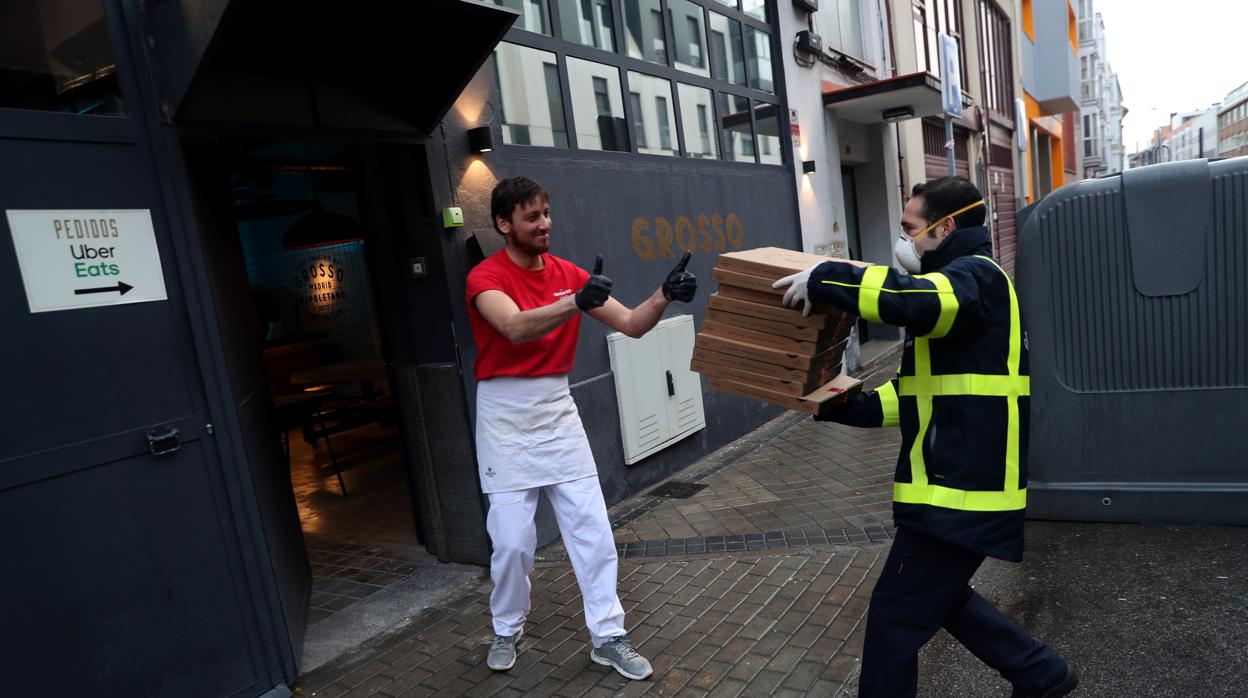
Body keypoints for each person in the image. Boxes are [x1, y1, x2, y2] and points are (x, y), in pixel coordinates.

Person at [773, 176, 1078, 698]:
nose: (903, 241)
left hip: (959, 495)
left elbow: (912, 301)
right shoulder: (962, 284)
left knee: (894, 617)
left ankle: (1041, 673)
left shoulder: (973, 279)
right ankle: (1040, 673)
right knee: (939, 598)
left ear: (946, 226)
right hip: (954, 490)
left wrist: (829, 279)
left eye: (910, 229)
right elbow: (914, 396)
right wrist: (844, 405)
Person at [465, 176, 697, 680]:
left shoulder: (568, 273)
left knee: (592, 533)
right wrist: (576, 300)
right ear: (505, 224)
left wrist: (665, 294)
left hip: (555, 408)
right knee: (511, 543)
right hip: (504, 415)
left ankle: (608, 636)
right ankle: (507, 627)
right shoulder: (485, 277)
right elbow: (513, 327)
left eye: (547, 213)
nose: (545, 223)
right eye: (532, 216)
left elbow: (634, 323)